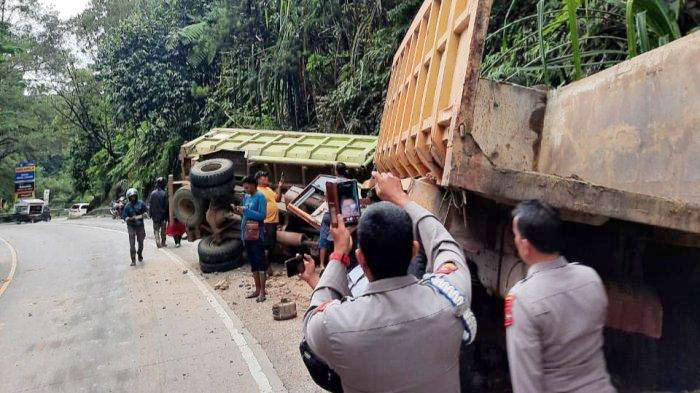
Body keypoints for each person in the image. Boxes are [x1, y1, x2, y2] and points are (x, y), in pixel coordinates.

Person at [302, 172, 475, 393]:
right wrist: (402, 199)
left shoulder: (335, 325)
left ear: (361, 258)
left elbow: (313, 314)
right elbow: (445, 245)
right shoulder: (451, 299)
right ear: (414, 251)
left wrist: (338, 254)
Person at [506, 200, 615, 393]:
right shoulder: (590, 278)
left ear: (525, 245)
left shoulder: (522, 299)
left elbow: (526, 382)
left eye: (516, 235)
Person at [236, 176, 268, 303]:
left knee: (260, 262)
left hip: (257, 234)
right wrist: (240, 210)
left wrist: (246, 211)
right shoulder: (246, 197)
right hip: (247, 234)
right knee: (253, 263)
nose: (245, 189)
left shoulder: (260, 197)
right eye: (244, 187)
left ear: (254, 185)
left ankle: (263, 292)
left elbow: (262, 215)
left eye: (247, 187)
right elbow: (245, 214)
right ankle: (257, 289)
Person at [255, 171, 282, 274]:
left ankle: (266, 266)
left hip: (273, 221)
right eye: (264, 177)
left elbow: (278, 199)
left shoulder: (269, 189)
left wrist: (279, 187)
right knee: (266, 246)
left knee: (271, 245)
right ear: (258, 180)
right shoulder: (257, 191)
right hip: (265, 221)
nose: (266, 179)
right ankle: (266, 268)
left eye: (266, 177)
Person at [122, 188, 147, 266]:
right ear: (129, 197)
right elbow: (124, 216)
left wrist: (143, 215)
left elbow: (146, 212)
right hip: (131, 226)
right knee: (132, 244)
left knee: (141, 242)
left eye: (134, 196)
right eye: (131, 196)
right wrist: (128, 219)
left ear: (136, 196)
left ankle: (139, 253)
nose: (133, 198)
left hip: (140, 225)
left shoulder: (141, 203)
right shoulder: (127, 206)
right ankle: (133, 260)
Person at [148, 177, 168, 248]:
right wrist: (167, 216)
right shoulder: (164, 193)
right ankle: (163, 242)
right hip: (163, 215)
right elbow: (166, 206)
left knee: (156, 229)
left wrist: (150, 214)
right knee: (163, 230)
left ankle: (157, 240)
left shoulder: (152, 193)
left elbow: (150, 205)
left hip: (155, 215)